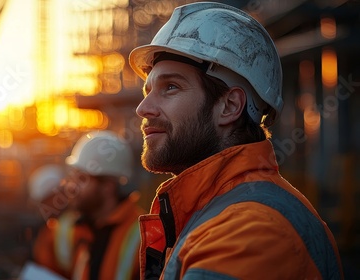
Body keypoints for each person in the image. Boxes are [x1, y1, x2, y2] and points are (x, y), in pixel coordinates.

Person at [128, 2, 343, 280]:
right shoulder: (214, 211)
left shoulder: (252, 229)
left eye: (171, 87)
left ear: (229, 106)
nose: (143, 108)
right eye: (148, 90)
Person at [32, 130, 145, 280]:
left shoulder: (143, 236)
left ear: (108, 186)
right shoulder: (81, 230)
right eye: (72, 177)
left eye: (81, 179)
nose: (71, 187)